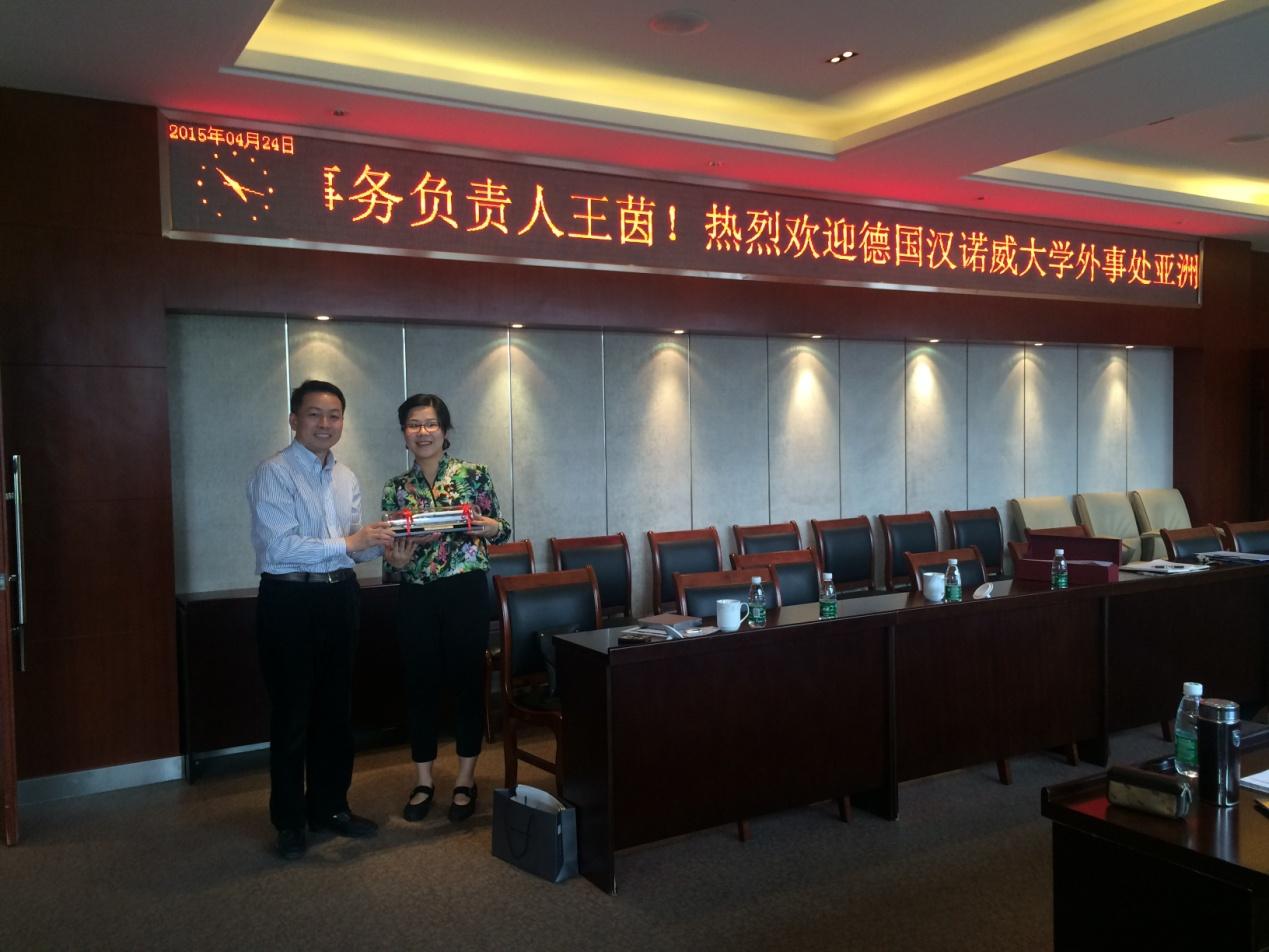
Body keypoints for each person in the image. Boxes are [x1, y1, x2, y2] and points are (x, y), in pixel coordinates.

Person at [247, 379, 396, 860]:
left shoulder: (345, 476)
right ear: (294, 420)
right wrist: (351, 543)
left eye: (334, 415)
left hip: (340, 597)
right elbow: (281, 547)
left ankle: (331, 807)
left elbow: (349, 547)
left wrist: (383, 545)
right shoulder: (273, 473)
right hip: (289, 600)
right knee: (292, 713)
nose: (325, 424)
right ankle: (290, 821)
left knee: (336, 710)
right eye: (314, 414)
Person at [382, 393, 510, 823]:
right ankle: (423, 779)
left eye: (430, 424)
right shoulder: (396, 487)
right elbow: (390, 556)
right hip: (416, 594)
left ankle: (465, 778)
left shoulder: (474, 474)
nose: (422, 432)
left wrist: (487, 527)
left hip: (465, 589)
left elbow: (501, 529)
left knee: (466, 682)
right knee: (418, 684)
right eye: (413, 425)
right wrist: (397, 560)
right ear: (404, 433)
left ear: (445, 430)